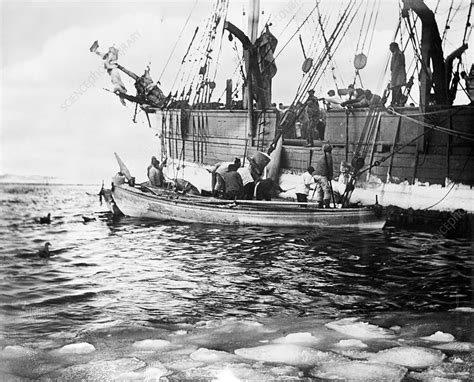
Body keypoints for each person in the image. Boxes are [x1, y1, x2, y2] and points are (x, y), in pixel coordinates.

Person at [313, 144, 334, 208]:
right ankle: (327, 205)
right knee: (327, 190)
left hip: (316, 175)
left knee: (319, 190)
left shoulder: (322, 157)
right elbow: (329, 167)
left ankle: (320, 204)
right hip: (322, 175)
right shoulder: (329, 156)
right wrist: (330, 175)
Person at [389, 42, 406, 106]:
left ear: (394, 47)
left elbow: (396, 66)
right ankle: (397, 102)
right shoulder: (398, 54)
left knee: (396, 88)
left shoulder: (397, 54)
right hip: (398, 74)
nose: (390, 49)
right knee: (397, 89)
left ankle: (395, 102)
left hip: (398, 75)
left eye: (391, 47)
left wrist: (393, 78)